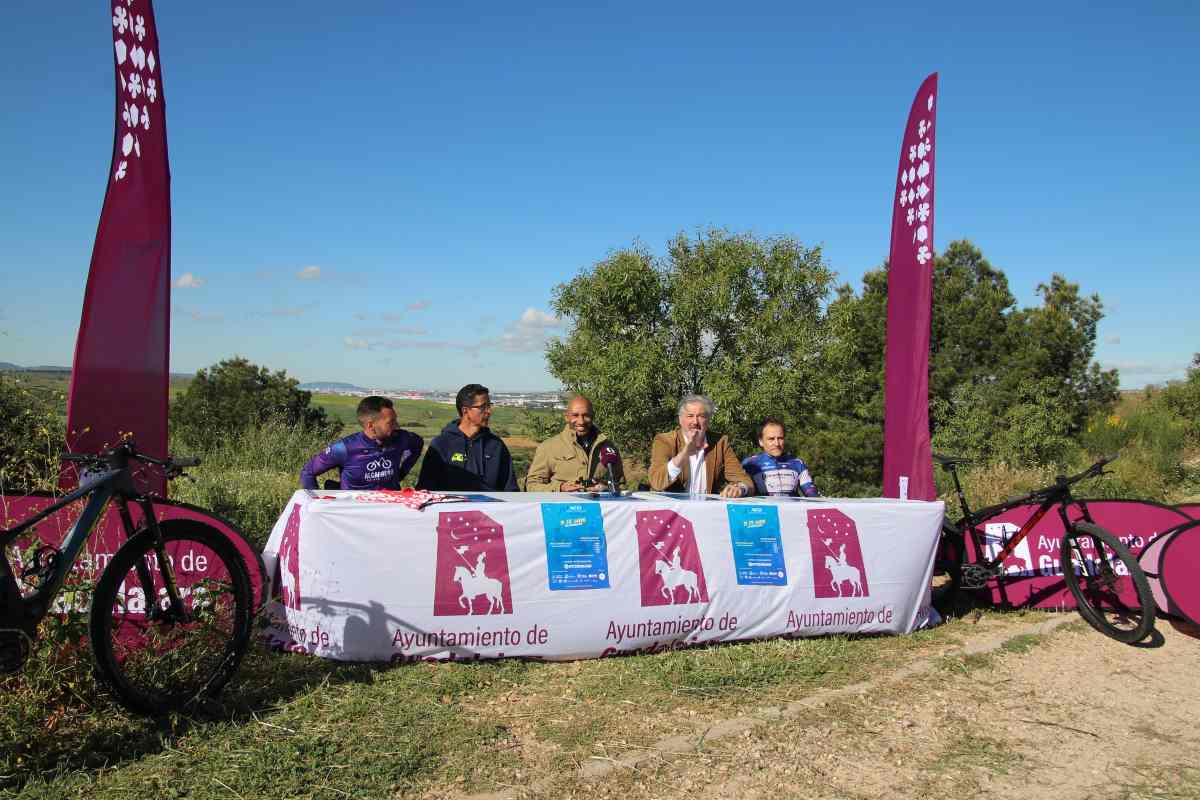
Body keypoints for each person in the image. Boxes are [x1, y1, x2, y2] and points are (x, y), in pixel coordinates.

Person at [299, 396, 423, 490]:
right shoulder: (344, 448)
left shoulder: (401, 437)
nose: (397, 426)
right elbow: (308, 472)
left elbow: (418, 444)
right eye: (391, 422)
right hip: (354, 514)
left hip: (389, 511)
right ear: (370, 425)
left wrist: (401, 473)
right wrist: (318, 504)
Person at [417, 383, 518, 492]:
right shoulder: (441, 444)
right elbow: (425, 489)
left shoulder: (496, 445)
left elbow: (510, 488)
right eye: (483, 407)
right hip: (452, 508)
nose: (489, 411)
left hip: (490, 508)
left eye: (489, 405)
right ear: (465, 410)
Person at [649, 394, 751, 498]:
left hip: (705, 510)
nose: (695, 422)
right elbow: (657, 483)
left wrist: (740, 488)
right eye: (690, 416)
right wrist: (684, 454)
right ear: (680, 419)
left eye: (701, 416)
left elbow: (745, 481)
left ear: (708, 420)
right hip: (673, 510)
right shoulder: (664, 441)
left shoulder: (720, 442)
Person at [525, 395, 624, 492]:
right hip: (562, 507)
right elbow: (532, 485)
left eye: (586, 415)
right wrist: (560, 488)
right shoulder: (549, 447)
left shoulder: (608, 447)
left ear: (593, 416)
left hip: (599, 507)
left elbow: (620, 484)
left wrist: (605, 488)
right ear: (566, 417)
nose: (581, 421)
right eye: (575, 415)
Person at [742, 417, 819, 497]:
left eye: (780, 438)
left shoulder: (797, 463)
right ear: (761, 441)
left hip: (791, 509)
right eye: (771, 439)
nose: (777, 443)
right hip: (764, 509)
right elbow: (742, 490)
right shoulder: (750, 464)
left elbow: (811, 493)